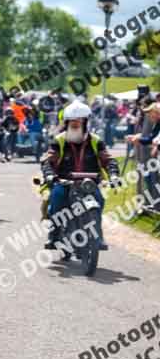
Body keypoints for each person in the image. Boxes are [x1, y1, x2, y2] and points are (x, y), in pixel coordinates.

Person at [41, 100, 120, 250]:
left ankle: (98, 235)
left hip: (89, 182)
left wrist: (114, 175)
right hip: (64, 182)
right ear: (66, 122)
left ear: (86, 122)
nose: (75, 124)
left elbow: (108, 160)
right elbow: (47, 160)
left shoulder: (96, 141)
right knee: (56, 200)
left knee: (99, 201)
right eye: (72, 121)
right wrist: (50, 175)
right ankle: (54, 234)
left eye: (79, 121)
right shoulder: (59, 140)